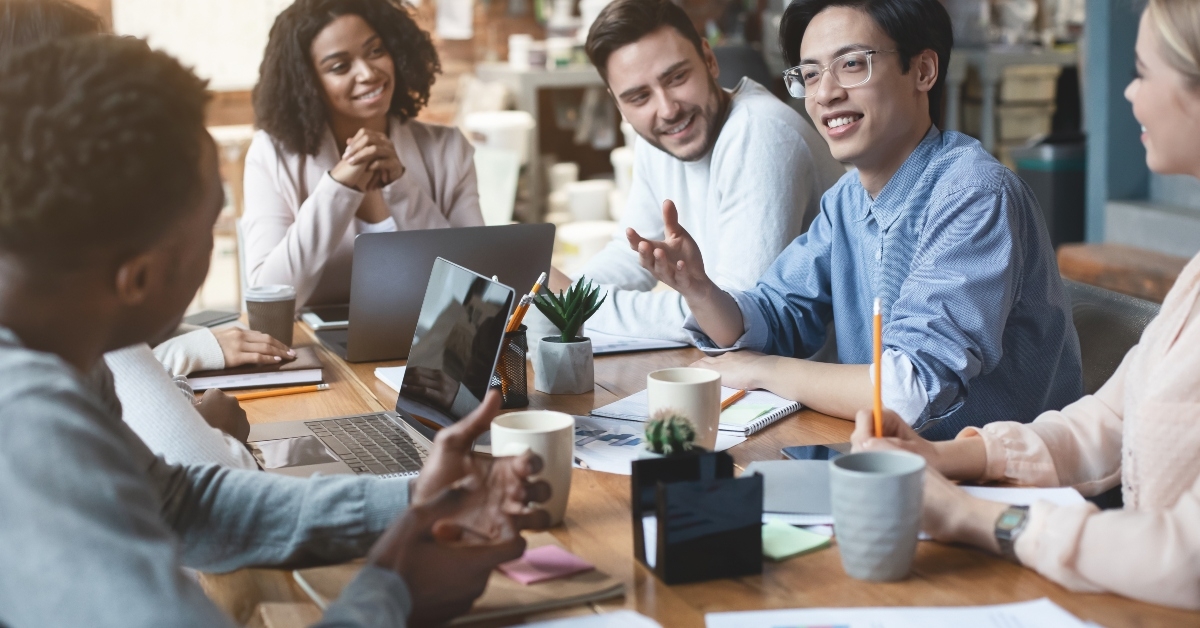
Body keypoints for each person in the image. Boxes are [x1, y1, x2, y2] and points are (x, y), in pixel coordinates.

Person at [0, 35, 550, 626]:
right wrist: (396, 590)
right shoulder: (25, 421)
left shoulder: (63, 351)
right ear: (138, 278)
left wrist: (413, 498)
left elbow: (179, 505)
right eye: (213, 221)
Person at [850, 0, 1200, 610]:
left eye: (1142, 72)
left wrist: (973, 518)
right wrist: (946, 457)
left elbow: (1187, 556)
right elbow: (1111, 422)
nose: (1127, 92)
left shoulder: (974, 187)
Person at [631, 0, 1082, 439]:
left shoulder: (975, 194)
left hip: (999, 489)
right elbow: (773, 317)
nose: (825, 93)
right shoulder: (848, 199)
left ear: (923, 71)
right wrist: (700, 289)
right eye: (809, 74)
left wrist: (759, 369)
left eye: (851, 64)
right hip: (888, 467)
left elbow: (907, 392)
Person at [0, 0, 268, 468]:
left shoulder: (62, 315)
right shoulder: (77, 306)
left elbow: (169, 494)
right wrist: (214, 432)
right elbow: (207, 480)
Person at [543, 0, 844, 343]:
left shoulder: (760, 132)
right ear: (619, 104)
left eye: (677, 77)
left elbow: (731, 315)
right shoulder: (662, 138)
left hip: (806, 385)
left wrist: (577, 304)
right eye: (640, 97)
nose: (667, 109)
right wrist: (556, 294)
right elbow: (634, 255)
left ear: (709, 59)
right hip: (745, 375)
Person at [243, 0, 484, 310]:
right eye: (340, 67)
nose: (369, 73)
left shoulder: (448, 149)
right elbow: (267, 295)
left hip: (430, 346)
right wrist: (337, 188)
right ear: (308, 83)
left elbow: (476, 286)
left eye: (376, 51)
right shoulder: (272, 156)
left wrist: (402, 189)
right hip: (317, 352)